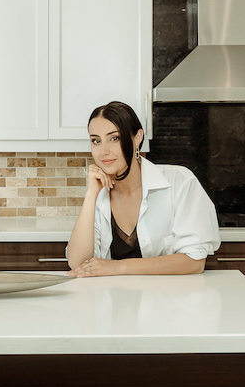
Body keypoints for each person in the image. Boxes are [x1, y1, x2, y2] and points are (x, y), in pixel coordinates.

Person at [66, 101, 220, 277]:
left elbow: (194, 262)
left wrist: (118, 267)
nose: (103, 151)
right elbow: (76, 262)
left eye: (114, 138)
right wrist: (91, 194)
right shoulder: (100, 192)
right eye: (96, 141)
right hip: (112, 300)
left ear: (137, 137)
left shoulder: (179, 182)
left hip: (168, 301)